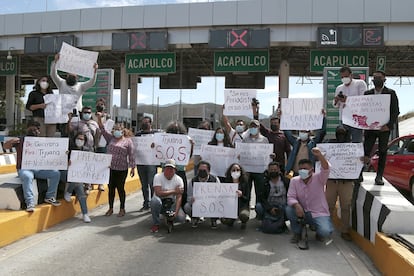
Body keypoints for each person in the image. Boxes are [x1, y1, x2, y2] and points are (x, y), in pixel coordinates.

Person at [3, 121, 61, 212]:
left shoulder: (43, 142)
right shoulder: (20, 140)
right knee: (27, 176)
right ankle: (30, 203)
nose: (34, 131)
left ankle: (50, 196)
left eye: (36, 129)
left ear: (39, 131)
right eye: (32, 129)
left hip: (39, 169)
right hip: (25, 168)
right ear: (27, 129)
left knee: (55, 173)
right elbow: (5, 146)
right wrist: (11, 141)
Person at [286, 147, 333, 244]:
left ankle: (319, 233)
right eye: (301, 169)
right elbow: (290, 197)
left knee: (325, 231)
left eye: (305, 169)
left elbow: (326, 168)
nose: (302, 171)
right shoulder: (294, 181)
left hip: (318, 212)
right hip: (302, 211)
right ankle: (297, 233)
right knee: (289, 209)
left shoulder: (319, 178)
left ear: (311, 170)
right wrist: (297, 205)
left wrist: (319, 155)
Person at [363, 70, 400, 185]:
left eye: (379, 77)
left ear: (384, 79)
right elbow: (362, 109)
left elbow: (395, 111)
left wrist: (388, 126)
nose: (376, 80)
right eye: (374, 78)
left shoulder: (391, 93)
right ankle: (359, 174)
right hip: (370, 129)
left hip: (384, 128)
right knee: (365, 151)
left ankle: (379, 176)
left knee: (383, 151)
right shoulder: (367, 94)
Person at [97, 113, 136, 217]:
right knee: (111, 189)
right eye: (114, 130)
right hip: (110, 169)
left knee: (120, 188)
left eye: (118, 129)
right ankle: (110, 208)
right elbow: (102, 130)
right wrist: (99, 119)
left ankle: (122, 209)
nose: (116, 131)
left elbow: (131, 155)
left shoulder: (128, 142)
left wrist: (133, 168)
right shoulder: (110, 139)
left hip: (122, 169)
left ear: (122, 131)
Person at [50, 53, 98, 137]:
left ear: (77, 77)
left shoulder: (81, 86)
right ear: (67, 75)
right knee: (65, 134)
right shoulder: (61, 83)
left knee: (76, 135)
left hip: (77, 115)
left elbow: (92, 82)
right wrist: (55, 62)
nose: (71, 75)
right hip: (64, 114)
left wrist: (95, 72)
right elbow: (53, 74)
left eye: (74, 75)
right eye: (69, 74)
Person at [325, 125, 354, 241]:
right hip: (331, 181)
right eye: (339, 133)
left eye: (343, 133)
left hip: (346, 182)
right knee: (329, 206)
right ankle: (327, 229)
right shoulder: (329, 144)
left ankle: (345, 231)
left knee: (346, 207)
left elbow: (359, 162)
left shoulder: (353, 147)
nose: (341, 136)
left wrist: (363, 160)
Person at [68, 106, 102, 193]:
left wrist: (96, 145)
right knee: (80, 168)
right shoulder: (78, 123)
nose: (87, 114)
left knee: (89, 167)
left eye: (89, 112)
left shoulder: (94, 123)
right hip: (81, 149)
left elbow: (98, 134)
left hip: (91, 148)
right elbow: (70, 130)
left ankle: (88, 186)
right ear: (82, 113)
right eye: (85, 112)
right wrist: (69, 120)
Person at [253, 103, 291, 173]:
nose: (274, 124)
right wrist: (255, 111)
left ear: (279, 124)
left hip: (280, 166)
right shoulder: (267, 133)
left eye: (276, 123)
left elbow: (288, 152)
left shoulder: (284, 136)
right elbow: (257, 123)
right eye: (272, 123)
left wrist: (289, 166)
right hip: (267, 165)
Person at [150, 159, 186, 233]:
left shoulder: (179, 179)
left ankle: (169, 219)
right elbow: (158, 193)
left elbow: (179, 197)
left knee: (181, 218)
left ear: (175, 170)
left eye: (171, 169)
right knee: (154, 201)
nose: (169, 171)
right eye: (167, 168)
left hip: (171, 202)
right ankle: (156, 223)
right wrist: (174, 191)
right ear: (164, 169)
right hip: (160, 200)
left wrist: (176, 213)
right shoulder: (157, 176)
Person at [61, 133, 91, 223]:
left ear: (85, 141)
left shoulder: (86, 151)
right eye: (78, 138)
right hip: (65, 173)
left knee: (79, 187)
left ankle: (85, 213)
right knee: (77, 179)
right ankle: (85, 214)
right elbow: (59, 161)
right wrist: (66, 160)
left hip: (77, 177)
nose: (80, 140)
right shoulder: (68, 149)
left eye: (82, 139)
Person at [333, 66, 367, 142]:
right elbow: (336, 106)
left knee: (356, 143)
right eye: (342, 77)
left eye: (346, 76)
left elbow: (364, 100)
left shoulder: (360, 83)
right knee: (343, 143)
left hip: (356, 118)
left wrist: (347, 100)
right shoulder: (339, 88)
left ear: (351, 75)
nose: (344, 78)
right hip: (343, 119)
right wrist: (336, 100)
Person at [164, 121, 194, 209]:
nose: (175, 132)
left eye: (177, 130)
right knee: (167, 191)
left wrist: (191, 146)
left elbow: (188, 156)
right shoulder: (164, 139)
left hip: (180, 170)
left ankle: (181, 209)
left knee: (182, 192)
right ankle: (166, 209)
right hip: (167, 171)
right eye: (173, 130)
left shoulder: (186, 139)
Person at [184, 160, 220, 229]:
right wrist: (191, 199)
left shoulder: (215, 180)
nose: (202, 172)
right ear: (197, 171)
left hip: (211, 204)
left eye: (204, 170)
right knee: (187, 206)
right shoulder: (192, 181)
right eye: (200, 170)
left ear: (209, 171)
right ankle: (195, 218)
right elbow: (189, 196)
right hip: (198, 204)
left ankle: (214, 219)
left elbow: (219, 195)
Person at [255, 161, 290, 234]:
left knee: (289, 209)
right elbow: (261, 198)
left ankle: (282, 223)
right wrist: (269, 208)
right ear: (268, 170)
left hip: (282, 205)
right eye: (271, 170)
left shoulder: (286, 181)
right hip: (269, 205)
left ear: (279, 170)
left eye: (275, 169)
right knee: (258, 206)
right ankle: (264, 221)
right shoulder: (264, 182)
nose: (273, 171)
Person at [242, 119, 269, 209]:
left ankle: (258, 210)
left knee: (259, 191)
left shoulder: (264, 140)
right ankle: (246, 209)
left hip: (260, 170)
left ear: (259, 128)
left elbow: (267, 154)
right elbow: (242, 152)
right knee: (247, 190)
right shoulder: (245, 140)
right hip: (247, 170)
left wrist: (270, 156)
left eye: (255, 126)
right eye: (252, 126)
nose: (253, 128)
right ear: (249, 128)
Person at [135, 116, 157, 212]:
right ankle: (146, 203)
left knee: (152, 184)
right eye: (142, 122)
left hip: (151, 163)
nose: (144, 124)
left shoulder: (156, 134)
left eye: (146, 122)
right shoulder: (138, 135)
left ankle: (153, 204)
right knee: (144, 185)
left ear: (150, 123)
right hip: (140, 163)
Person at [220, 163, 250, 229]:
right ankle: (231, 220)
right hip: (230, 207)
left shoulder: (245, 183)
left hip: (241, 206)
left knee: (244, 215)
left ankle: (243, 221)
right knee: (224, 220)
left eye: (238, 170)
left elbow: (247, 198)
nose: (235, 171)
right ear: (230, 172)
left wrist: (241, 195)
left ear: (241, 171)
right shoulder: (226, 182)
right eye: (233, 170)